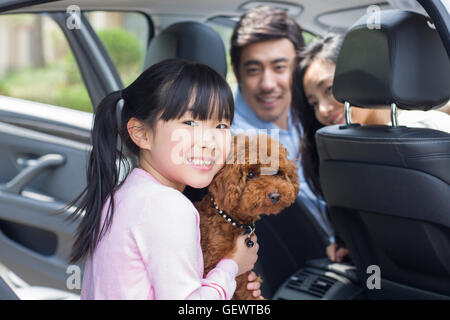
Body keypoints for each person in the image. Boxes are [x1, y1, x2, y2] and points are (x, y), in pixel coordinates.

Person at [66, 59, 262, 299]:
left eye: (221, 125)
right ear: (142, 134)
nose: (209, 141)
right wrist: (231, 267)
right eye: (190, 123)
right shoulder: (167, 206)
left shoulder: (125, 194)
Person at [295, 34, 450, 261]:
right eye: (313, 103)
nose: (323, 110)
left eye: (329, 89)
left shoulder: (430, 128)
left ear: (362, 76)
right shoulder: (342, 158)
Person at [229, 6, 335, 294]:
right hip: (306, 272)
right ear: (237, 72)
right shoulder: (233, 141)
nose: (267, 84)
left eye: (279, 67)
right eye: (253, 70)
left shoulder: (319, 113)